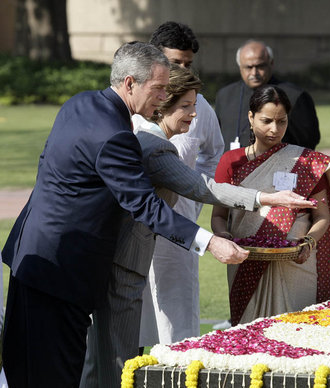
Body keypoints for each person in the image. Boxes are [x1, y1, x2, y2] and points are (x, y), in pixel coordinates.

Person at [0, 41, 252, 388]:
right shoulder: (116, 135)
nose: (164, 97)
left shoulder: (79, 104)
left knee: (24, 369)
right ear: (130, 83)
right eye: (159, 87)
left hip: (30, 257)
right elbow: (145, 205)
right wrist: (210, 243)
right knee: (54, 375)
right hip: (63, 272)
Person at [79, 65, 315, 388]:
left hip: (110, 260)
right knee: (114, 362)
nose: (195, 115)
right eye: (186, 106)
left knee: (102, 361)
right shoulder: (156, 146)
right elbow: (205, 187)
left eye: (196, 105)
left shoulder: (146, 137)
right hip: (121, 264)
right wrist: (264, 198)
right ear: (162, 105)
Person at [212, 85, 330, 326]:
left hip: (296, 264)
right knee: (249, 334)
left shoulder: (306, 163)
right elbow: (219, 215)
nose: (274, 129)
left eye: (281, 121)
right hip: (246, 261)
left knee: (297, 333)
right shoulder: (231, 161)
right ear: (251, 118)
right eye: (266, 121)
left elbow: (322, 216)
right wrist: (224, 237)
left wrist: (308, 243)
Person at [141, 21, 224, 346]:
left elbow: (213, 154)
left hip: (180, 225)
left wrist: (193, 196)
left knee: (176, 311)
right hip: (130, 225)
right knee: (128, 314)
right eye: (175, 62)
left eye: (188, 63)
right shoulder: (133, 106)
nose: (181, 69)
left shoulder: (199, 105)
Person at [215, 40, 321, 152]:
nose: (254, 73)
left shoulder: (294, 96)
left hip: (280, 166)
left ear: (271, 63)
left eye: (260, 66)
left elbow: (308, 141)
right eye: (248, 67)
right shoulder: (225, 95)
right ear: (240, 66)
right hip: (233, 166)